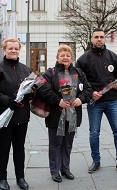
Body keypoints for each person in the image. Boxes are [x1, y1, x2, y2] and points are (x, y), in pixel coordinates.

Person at [76, 28, 117, 175]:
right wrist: (90, 94)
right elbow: (79, 82)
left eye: (101, 37)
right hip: (94, 102)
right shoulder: (83, 59)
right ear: (91, 39)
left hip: (112, 101)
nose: (99, 39)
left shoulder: (114, 57)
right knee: (94, 133)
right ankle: (96, 160)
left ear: (105, 39)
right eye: (96, 37)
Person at [37, 44, 92, 183]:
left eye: (68, 55)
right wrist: (58, 101)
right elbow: (43, 89)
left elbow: (88, 89)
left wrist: (81, 98)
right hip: (56, 115)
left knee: (68, 143)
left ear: (72, 58)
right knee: (55, 143)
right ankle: (54, 171)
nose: (65, 58)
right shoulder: (50, 73)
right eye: (62, 55)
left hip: (73, 115)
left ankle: (65, 168)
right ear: (57, 58)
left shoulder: (79, 73)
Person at [0, 37, 31, 190]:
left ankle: (20, 177)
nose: (13, 50)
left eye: (16, 48)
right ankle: (2, 178)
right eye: (10, 48)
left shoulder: (26, 69)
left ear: (19, 49)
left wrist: (33, 92)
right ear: (4, 49)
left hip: (22, 115)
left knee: (20, 147)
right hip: (4, 115)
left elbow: (31, 90)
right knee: (4, 147)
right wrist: (6, 100)